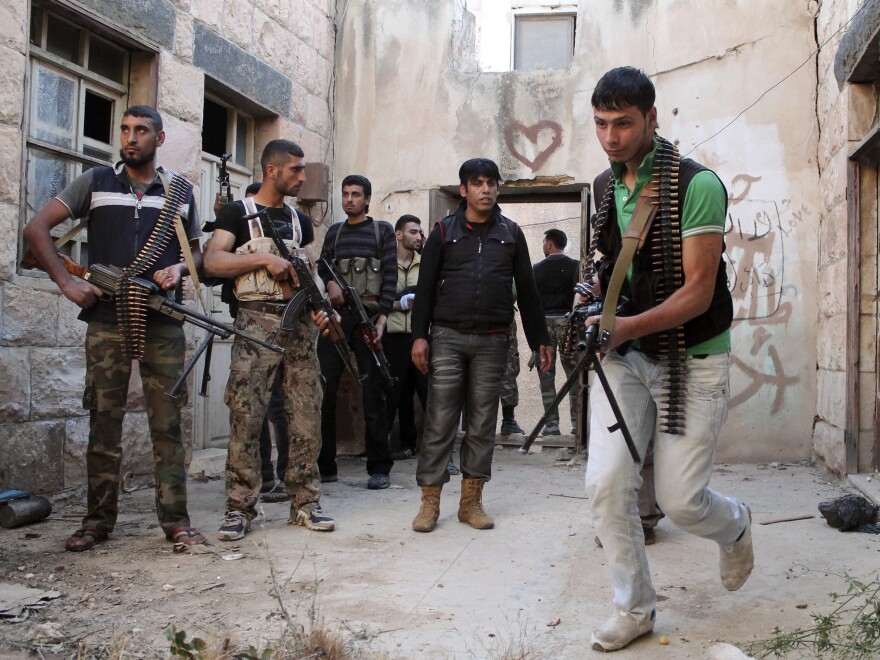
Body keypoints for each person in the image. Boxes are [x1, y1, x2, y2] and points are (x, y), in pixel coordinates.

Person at [582, 67, 752, 652]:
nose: (611, 137)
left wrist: (622, 325)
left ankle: (737, 526)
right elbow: (606, 269)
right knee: (606, 484)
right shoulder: (605, 189)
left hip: (691, 359)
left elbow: (698, 292)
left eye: (624, 123)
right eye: (602, 124)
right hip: (624, 359)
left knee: (681, 503)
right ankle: (633, 609)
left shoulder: (696, 185)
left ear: (653, 119)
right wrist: (590, 306)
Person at [23, 105, 207, 551]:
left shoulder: (179, 192)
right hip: (107, 322)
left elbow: (201, 256)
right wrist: (65, 282)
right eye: (125, 130)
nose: (131, 138)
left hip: (162, 320)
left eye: (141, 130)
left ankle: (176, 521)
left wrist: (180, 269)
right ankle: (97, 521)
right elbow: (36, 229)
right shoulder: (96, 182)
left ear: (158, 139)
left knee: (167, 426)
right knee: (103, 423)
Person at [410, 157, 552, 533]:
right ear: (464, 190)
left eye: (491, 182)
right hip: (447, 338)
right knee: (440, 420)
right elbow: (424, 290)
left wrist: (540, 339)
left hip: (493, 341)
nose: (485, 189)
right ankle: (430, 502)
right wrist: (418, 336)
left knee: (482, 423)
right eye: (477, 183)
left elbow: (529, 291)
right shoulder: (443, 231)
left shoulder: (511, 234)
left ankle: (471, 502)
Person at [204, 139, 334, 539]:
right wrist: (263, 259)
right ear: (272, 170)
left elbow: (309, 273)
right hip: (256, 323)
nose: (302, 176)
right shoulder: (236, 213)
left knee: (306, 416)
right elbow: (213, 261)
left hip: (299, 329)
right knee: (247, 415)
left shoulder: (300, 221)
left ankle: (305, 502)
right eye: (295, 169)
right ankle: (240, 507)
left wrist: (322, 305)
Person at [317, 175, 397, 490]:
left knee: (373, 392)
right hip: (337, 318)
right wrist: (331, 283)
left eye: (356, 195)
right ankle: (325, 465)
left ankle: (379, 467)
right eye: (345, 194)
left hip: (369, 315)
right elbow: (324, 265)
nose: (349, 199)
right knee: (325, 388)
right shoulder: (335, 233)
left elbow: (390, 275)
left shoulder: (382, 231)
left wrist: (383, 318)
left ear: (367, 199)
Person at [385, 215, 428, 461]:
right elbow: (374, 300)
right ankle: (400, 446)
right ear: (398, 235)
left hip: (420, 336)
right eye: (413, 232)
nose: (418, 236)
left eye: (420, 232)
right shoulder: (385, 263)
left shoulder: (426, 263)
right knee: (396, 394)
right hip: (393, 337)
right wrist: (398, 304)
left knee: (429, 394)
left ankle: (440, 454)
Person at [531, 228, 580, 436]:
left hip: (544, 325)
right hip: (568, 324)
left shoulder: (536, 269)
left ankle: (552, 425)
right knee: (575, 375)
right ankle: (578, 424)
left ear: (550, 244)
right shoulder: (575, 267)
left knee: (546, 375)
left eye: (544, 243)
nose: (543, 246)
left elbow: (532, 302)